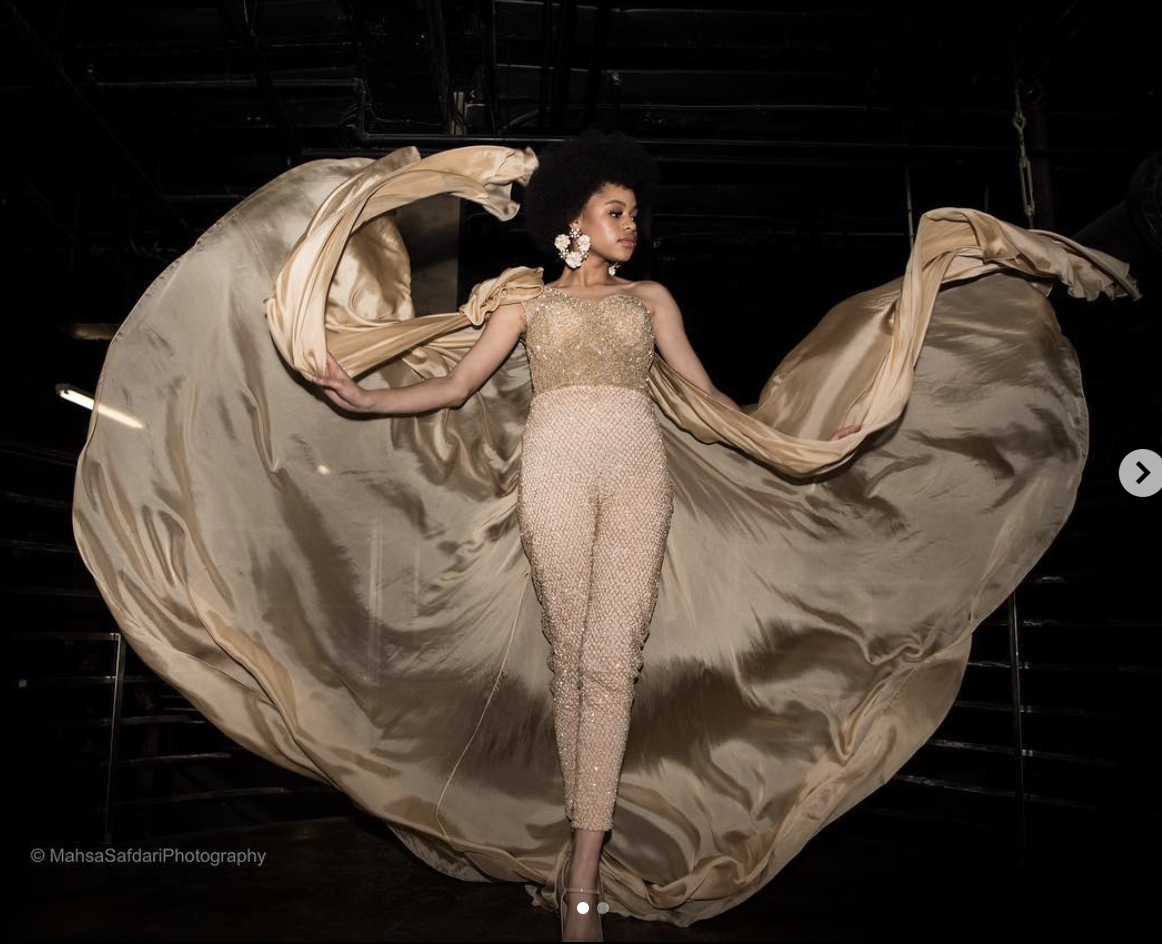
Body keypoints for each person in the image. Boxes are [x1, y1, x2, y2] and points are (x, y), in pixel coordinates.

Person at [72, 131, 1140, 935]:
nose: (635, 225)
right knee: (573, 654)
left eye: (636, 212)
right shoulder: (525, 303)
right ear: (575, 220)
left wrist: (800, 444)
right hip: (552, 468)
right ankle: (574, 846)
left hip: (638, 473)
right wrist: (364, 398)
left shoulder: (652, 299)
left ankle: (582, 869)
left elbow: (708, 399)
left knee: (610, 659)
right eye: (620, 210)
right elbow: (452, 385)